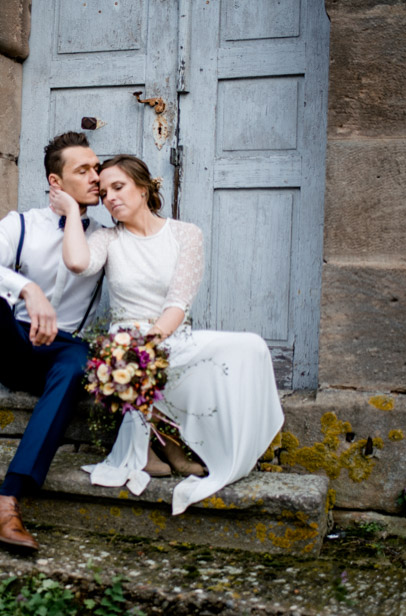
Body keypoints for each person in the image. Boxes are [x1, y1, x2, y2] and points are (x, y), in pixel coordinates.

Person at [51, 154, 284, 515]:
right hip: (125, 336)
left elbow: (179, 300)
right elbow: (78, 263)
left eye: (119, 187)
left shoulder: (185, 234)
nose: (110, 197)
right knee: (123, 355)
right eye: (104, 191)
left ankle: (171, 439)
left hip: (169, 333)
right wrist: (69, 213)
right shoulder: (107, 238)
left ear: (143, 189)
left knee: (249, 346)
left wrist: (154, 340)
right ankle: (158, 445)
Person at [0, 132, 104, 550]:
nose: (96, 176)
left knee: (77, 362)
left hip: (60, 352)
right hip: (14, 345)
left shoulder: (105, 237)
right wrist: (27, 290)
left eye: (97, 167)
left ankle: (6, 499)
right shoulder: (20, 223)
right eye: (83, 170)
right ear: (55, 182)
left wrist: (74, 214)